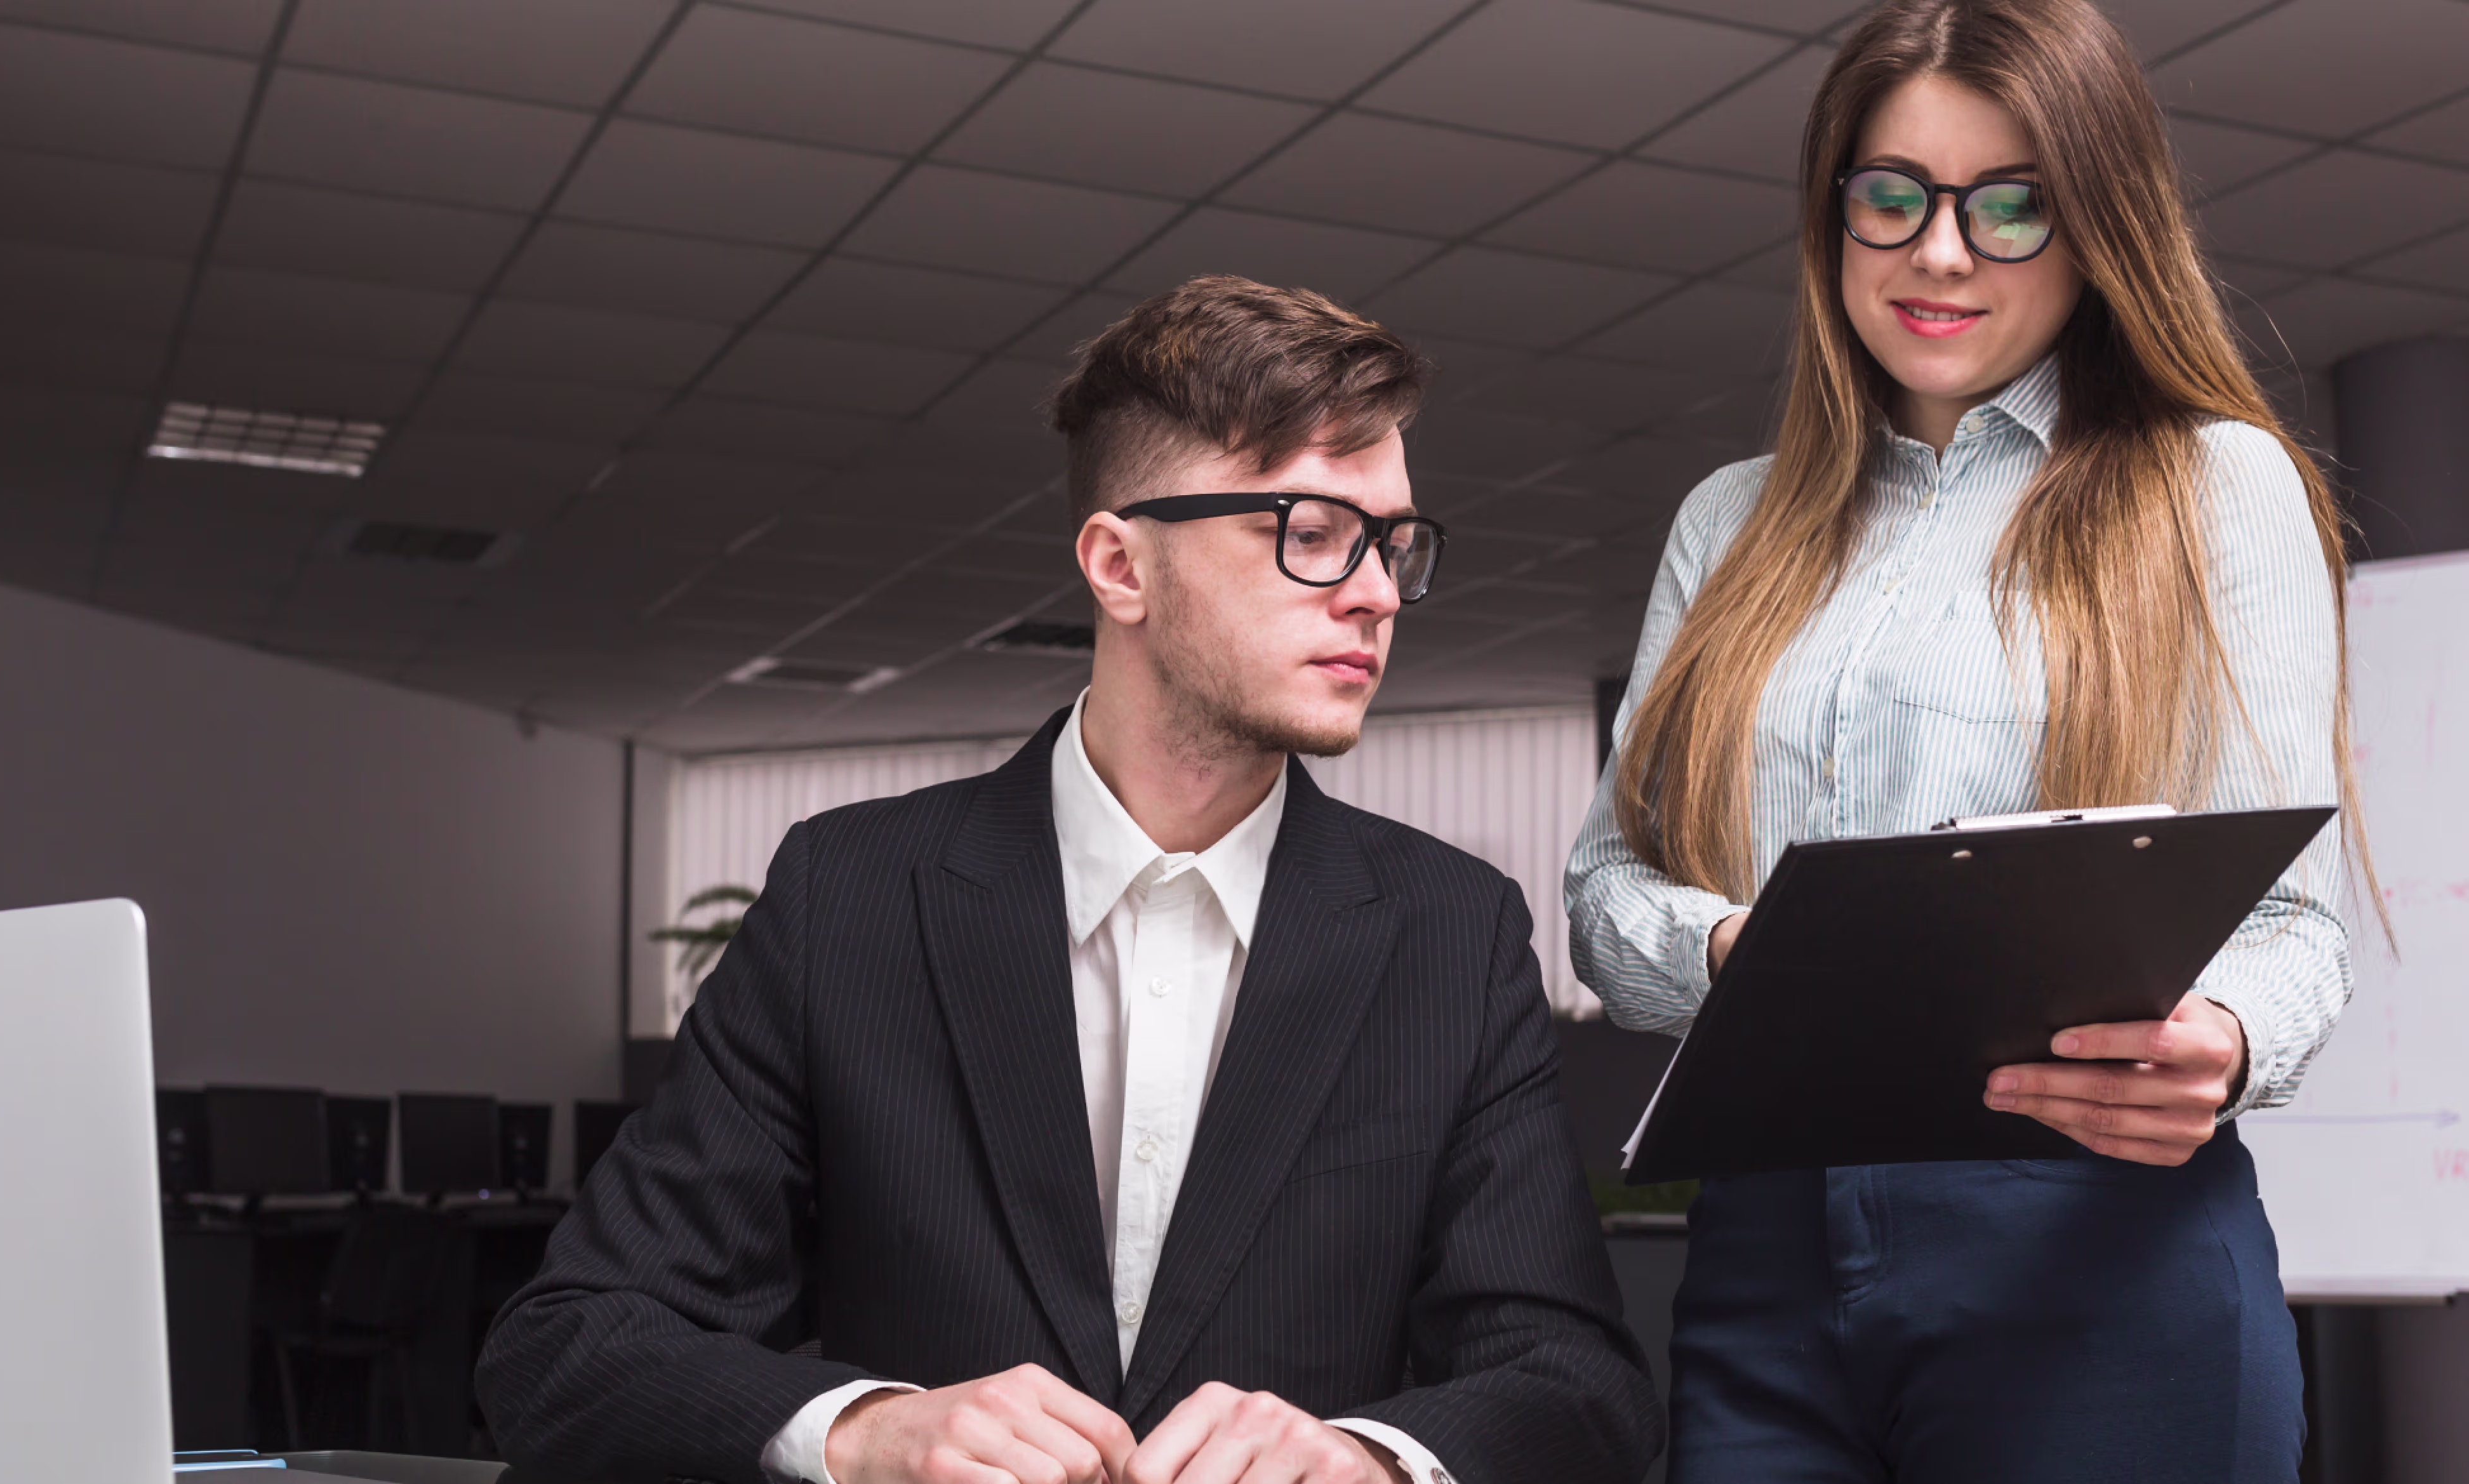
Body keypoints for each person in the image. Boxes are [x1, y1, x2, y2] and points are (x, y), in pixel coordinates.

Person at [481, 276, 1663, 1484]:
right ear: (1119, 566)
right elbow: (571, 1345)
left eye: (1393, 542)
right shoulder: (851, 896)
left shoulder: (1447, 932)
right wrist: (865, 1429)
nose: (1372, 590)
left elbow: (1576, 1387)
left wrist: (1368, 1457)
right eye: (1310, 533)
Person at [1563, 3, 2368, 1480]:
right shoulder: (1724, 521)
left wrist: (2228, 1039)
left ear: (2097, 225)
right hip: (1762, 1255)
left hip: (2095, 1241)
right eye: (1894, 197)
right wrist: (1744, 945)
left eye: (2013, 207)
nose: (1942, 253)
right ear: (1833, 217)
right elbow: (1609, 894)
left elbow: (2297, 925)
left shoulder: (2212, 488)